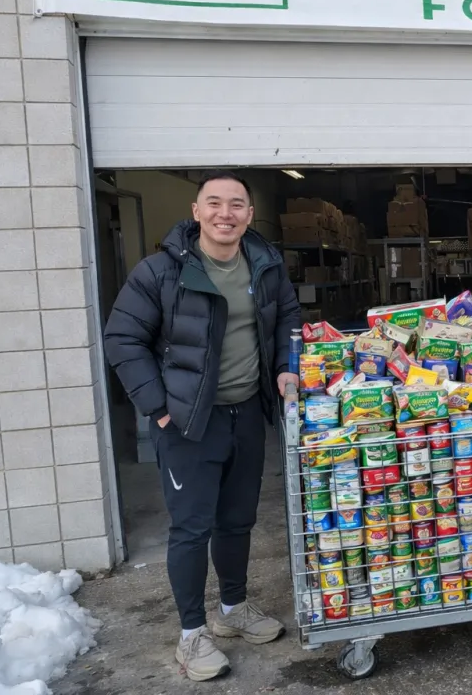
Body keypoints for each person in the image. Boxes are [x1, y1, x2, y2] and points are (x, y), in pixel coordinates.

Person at [104, 171, 301, 682]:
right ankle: (191, 635)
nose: (225, 213)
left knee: (237, 521)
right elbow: (122, 338)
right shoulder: (160, 272)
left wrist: (286, 366)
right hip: (189, 423)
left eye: (236, 204)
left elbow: (287, 321)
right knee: (192, 528)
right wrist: (159, 408)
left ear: (249, 216)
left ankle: (232, 610)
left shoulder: (266, 264)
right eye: (214, 203)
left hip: (246, 416)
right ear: (196, 212)